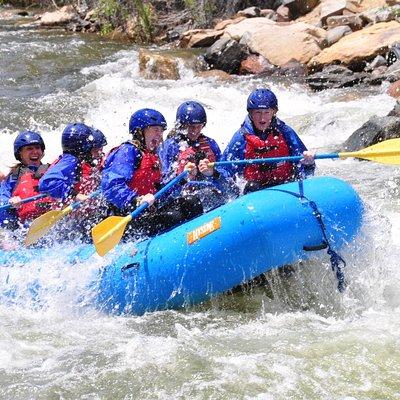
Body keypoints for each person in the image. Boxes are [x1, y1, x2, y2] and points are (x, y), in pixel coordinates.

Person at [101, 108, 203, 238]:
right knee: (173, 216)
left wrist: (182, 178)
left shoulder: (153, 156)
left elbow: (160, 192)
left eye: (161, 131)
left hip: (146, 213)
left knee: (191, 202)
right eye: (156, 130)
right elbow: (111, 187)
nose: (160, 135)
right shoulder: (127, 151)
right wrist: (136, 200)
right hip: (127, 218)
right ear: (140, 131)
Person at [221, 88, 315, 193]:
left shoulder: (285, 132)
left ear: (274, 112)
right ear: (251, 113)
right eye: (258, 112)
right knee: (252, 186)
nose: (262, 118)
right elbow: (225, 170)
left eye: (267, 112)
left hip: (286, 186)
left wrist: (309, 163)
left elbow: (303, 166)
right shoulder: (241, 138)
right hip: (255, 190)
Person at [160, 100, 238, 210]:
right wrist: (183, 176)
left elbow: (230, 184)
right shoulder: (170, 147)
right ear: (181, 125)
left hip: (209, 196)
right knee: (193, 201)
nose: (195, 131)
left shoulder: (210, 144)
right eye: (191, 126)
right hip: (185, 201)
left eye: (199, 126)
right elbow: (163, 185)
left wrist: (214, 173)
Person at [38, 123, 107, 240]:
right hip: (68, 224)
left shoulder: (83, 161)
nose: (99, 153)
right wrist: (74, 195)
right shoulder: (70, 161)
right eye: (94, 149)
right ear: (83, 147)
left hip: (80, 220)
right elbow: (46, 183)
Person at [0, 130, 53, 230]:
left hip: (51, 218)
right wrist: (10, 201)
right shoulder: (15, 175)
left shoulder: (52, 170)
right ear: (20, 153)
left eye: (37, 148)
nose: (35, 152)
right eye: (29, 149)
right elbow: (3, 195)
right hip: (25, 226)